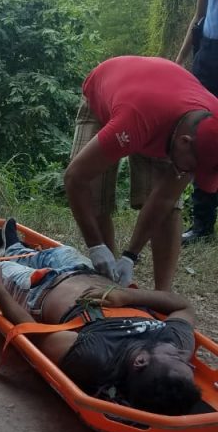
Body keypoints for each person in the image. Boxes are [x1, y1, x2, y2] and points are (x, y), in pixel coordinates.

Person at [0, 215, 201, 416]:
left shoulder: (94, 357)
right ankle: (15, 247)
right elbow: (183, 306)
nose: (184, 356)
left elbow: (33, 333)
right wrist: (127, 296)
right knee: (62, 251)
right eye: (188, 363)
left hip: (38, 288)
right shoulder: (176, 343)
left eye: (176, 358)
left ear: (141, 361)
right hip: (84, 270)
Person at [64, 55, 218, 291]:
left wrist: (130, 256)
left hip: (163, 107)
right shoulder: (135, 120)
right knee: (94, 193)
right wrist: (96, 246)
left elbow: (164, 199)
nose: (190, 175)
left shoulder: (209, 129)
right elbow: (75, 177)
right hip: (113, 94)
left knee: (170, 209)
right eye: (192, 169)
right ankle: (109, 280)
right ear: (184, 142)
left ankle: (163, 293)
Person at [176, 0, 218, 244]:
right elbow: (199, 15)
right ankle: (202, 223)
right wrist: (179, 61)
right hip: (210, 53)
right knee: (203, 133)